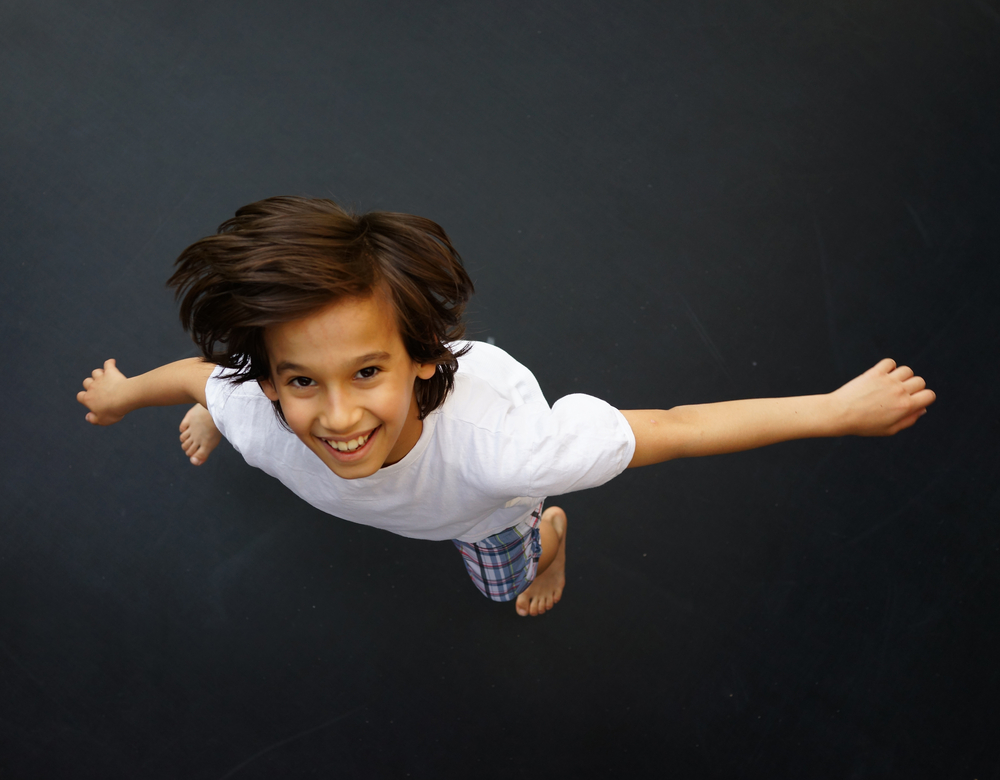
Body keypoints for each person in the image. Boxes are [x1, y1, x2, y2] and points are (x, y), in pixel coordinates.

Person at [77, 197, 936, 617]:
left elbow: (675, 427)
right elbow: (199, 374)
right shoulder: (251, 407)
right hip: (270, 425)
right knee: (222, 409)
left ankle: (548, 540)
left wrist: (835, 409)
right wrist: (127, 394)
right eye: (302, 380)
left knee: (507, 584)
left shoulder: (511, 455)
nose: (338, 416)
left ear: (418, 357)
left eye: (368, 372)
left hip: (478, 512)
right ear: (270, 378)